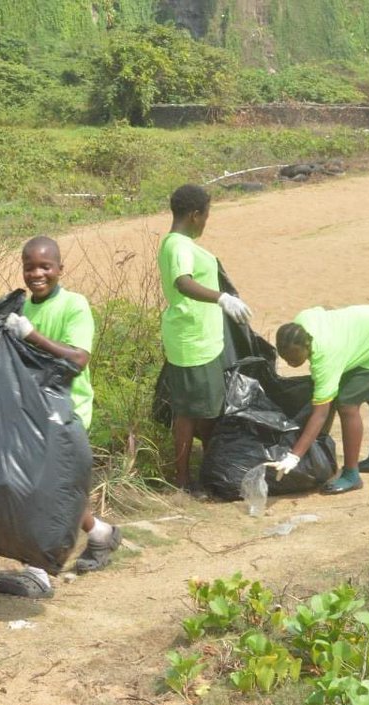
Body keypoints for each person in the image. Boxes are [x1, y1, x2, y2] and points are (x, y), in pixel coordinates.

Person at [0, 236, 121, 598]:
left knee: (44, 489)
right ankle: (101, 534)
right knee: (56, 488)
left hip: (67, 412)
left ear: (60, 269)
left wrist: (31, 336)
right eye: (30, 266)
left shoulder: (73, 306)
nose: (37, 273)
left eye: (45, 266)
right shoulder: (23, 309)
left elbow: (78, 359)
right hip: (35, 411)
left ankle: (39, 571)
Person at [157, 184, 252, 496]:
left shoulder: (181, 244)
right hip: (190, 342)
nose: (207, 221)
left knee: (205, 409)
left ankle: (210, 469)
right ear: (195, 215)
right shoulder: (178, 246)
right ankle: (183, 480)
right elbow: (183, 283)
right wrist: (221, 298)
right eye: (207, 215)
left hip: (203, 340)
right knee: (189, 412)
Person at [271, 306, 369, 495]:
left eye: (293, 357)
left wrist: (295, 456)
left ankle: (351, 475)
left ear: (307, 346)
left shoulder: (325, 357)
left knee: (347, 403)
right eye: (285, 357)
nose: (290, 363)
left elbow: (321, 414)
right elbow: (323, 310)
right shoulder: (301, 323)